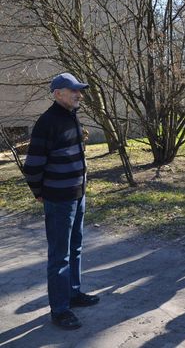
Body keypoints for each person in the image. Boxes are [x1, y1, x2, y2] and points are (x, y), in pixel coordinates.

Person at [23, 72, 99, 330]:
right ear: (58, 94)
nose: (80, 94)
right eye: (74, 90)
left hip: (78, 195)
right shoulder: (48, 122)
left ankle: (73, 293)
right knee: (60, 255)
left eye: (80, 90)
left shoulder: (71, 117)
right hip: (59, 200)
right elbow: (32, 165)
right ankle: (59, 309)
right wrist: (38, 191)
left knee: (75, 247)